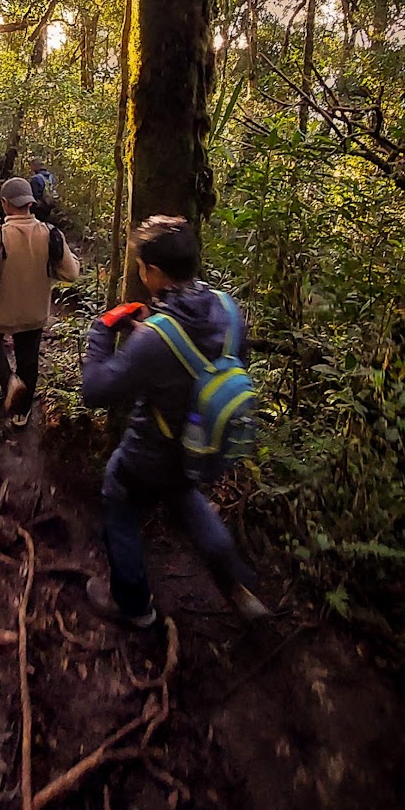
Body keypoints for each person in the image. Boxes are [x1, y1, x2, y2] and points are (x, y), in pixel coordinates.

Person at [80, 215, 271, 628]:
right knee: (184, 495)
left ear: (154, 273)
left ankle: (133, 605)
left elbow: (95, 390)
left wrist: (101, 331)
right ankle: (237, 583)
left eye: (140, 267)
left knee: (119, 494)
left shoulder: (154, 338)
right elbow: (224, 362)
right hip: (199, 443)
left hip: (149, 452)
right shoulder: (227, 308)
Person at [0, 176, 80, 427]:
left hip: (0, 312)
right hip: (35, 313)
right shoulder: (51, 233)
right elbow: (71, 273)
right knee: (28, 359)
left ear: (5, 203)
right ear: (30, 203)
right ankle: (21, 416)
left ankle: (9, 381)